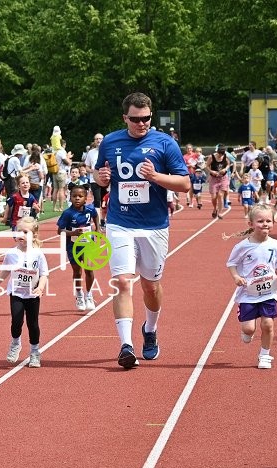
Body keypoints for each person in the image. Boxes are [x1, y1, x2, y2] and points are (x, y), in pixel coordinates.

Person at [94, 92, 191, 369]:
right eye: (136, 119)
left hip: (154, 226)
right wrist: (99, 178)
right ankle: (126, 346)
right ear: (125, 117)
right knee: (123, 282)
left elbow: (184, 184)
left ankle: (150, 329)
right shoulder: (111, 142)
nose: (142, 123)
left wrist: (155, 177)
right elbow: (100, 174)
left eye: (146, 118)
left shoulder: (165, 143)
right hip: (119, 222)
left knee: (150, 285)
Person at [224, 204, 277, 369]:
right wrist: (236, 277)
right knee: (248, 329)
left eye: (269, 220)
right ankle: (247, 332)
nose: (265, 224)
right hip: (248, 293)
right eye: (260, 221)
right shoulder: (242, 246)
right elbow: (231, 263)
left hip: (269, 290)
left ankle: (265, 356)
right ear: (251, 224)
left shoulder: (275, 245)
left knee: (268, 324)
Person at [0, 216, 49, 368]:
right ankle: (16, 343)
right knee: (16, 321)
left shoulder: (38, 254)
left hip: (32, 294)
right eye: (18, 231)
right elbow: (5, 271)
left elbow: (44, 274)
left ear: (34, 235)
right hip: (16, 293)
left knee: (32, 323)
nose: (21, 234)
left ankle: (35, 352)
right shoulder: (11, 253)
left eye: (25, 232)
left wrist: (40, 288)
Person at [57, 184, 98, 311]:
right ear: (70, 197)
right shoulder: (68, 213)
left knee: (89, 269)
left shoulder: (90, 209)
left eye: (80, 196)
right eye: (74, 196)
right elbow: (60, 231)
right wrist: (73, 233)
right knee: (77, 272)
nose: (77, 198)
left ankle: (89, 295)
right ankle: (79, 295)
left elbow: (95, 215)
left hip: (88, 244)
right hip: (73, 246)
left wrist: (98, 228)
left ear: (86, 198)